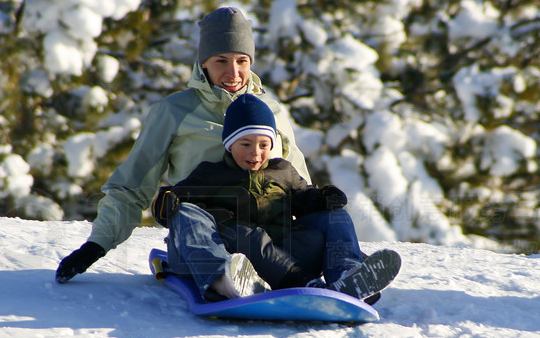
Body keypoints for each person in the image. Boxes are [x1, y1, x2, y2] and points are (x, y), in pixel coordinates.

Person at [56, 7, 311, 284]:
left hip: (270, 250)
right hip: (202, 242)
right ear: (204, 63)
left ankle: (340, 276)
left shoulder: (271, 112)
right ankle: (225, 281)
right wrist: (96, 246)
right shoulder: (175, 112)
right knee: (189, 214)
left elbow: (299, 183)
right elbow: (132, 184)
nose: (233, 72)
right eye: (221, 61)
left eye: (242, 61)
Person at [152, 93, 401, 302]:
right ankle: (244, 282)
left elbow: (305, 198)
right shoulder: (211, 173)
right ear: (230, 144)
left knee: (336, 218)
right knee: (247, 234)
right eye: (246, 144)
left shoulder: (282, 170)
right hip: (242, 258)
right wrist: (166, 201)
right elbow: (178, 200)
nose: (255, 153)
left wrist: (323, 198)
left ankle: (347, 274)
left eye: (263, 144)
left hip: (288, 251)